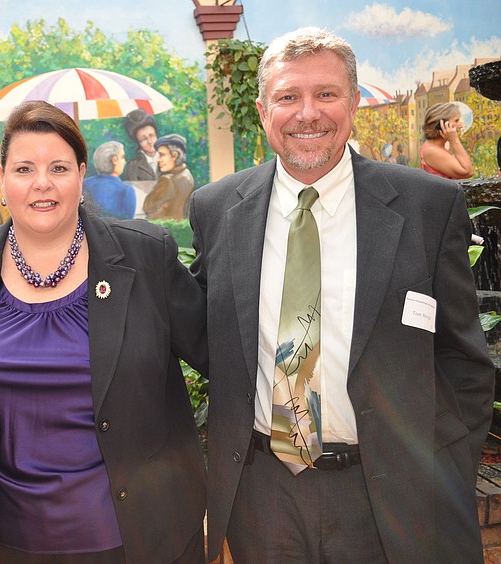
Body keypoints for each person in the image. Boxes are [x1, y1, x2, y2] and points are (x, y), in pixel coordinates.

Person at [189, 27, 494, 563]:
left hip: (388, 495)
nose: (307, 113)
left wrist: (440, 465)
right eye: (288, 96)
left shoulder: (427, 206)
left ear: (353, 103)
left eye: (326, 94)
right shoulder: (217, 209)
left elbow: (464, 361)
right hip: (264, 497)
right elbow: (200, 335)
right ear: (263, 111)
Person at [0, 100, 208, 563]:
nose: (42, 183)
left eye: (59, 168)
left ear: (81, 175)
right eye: (24, 168)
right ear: (2, 178)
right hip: (2, 542)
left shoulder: (145, 258)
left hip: (135, 538)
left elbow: (222, 356)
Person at [143, 134, 195, 220]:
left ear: (174, 155)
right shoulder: (187, 175)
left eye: (161, 155)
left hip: (164, 226)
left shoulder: (167, 180)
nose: (158, 160)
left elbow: (147, 206)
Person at [420, 102, 475, 179]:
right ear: (441, 125)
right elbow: (468, 172)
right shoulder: (432, 151)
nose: (460, 125)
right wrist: (455, 141)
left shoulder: (439, 146)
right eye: (456, 121)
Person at [83, 140, 136, 219]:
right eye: (122, 157)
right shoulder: (126, 190)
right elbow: (127, 222)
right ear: (114, 160)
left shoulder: (83, 184)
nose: (125, 162)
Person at [123, 108, 159, 181]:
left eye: (151, 135)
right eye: (144, 139)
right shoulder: (133, 165)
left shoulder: (169, 159)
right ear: (138, 142)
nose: (149, 141)